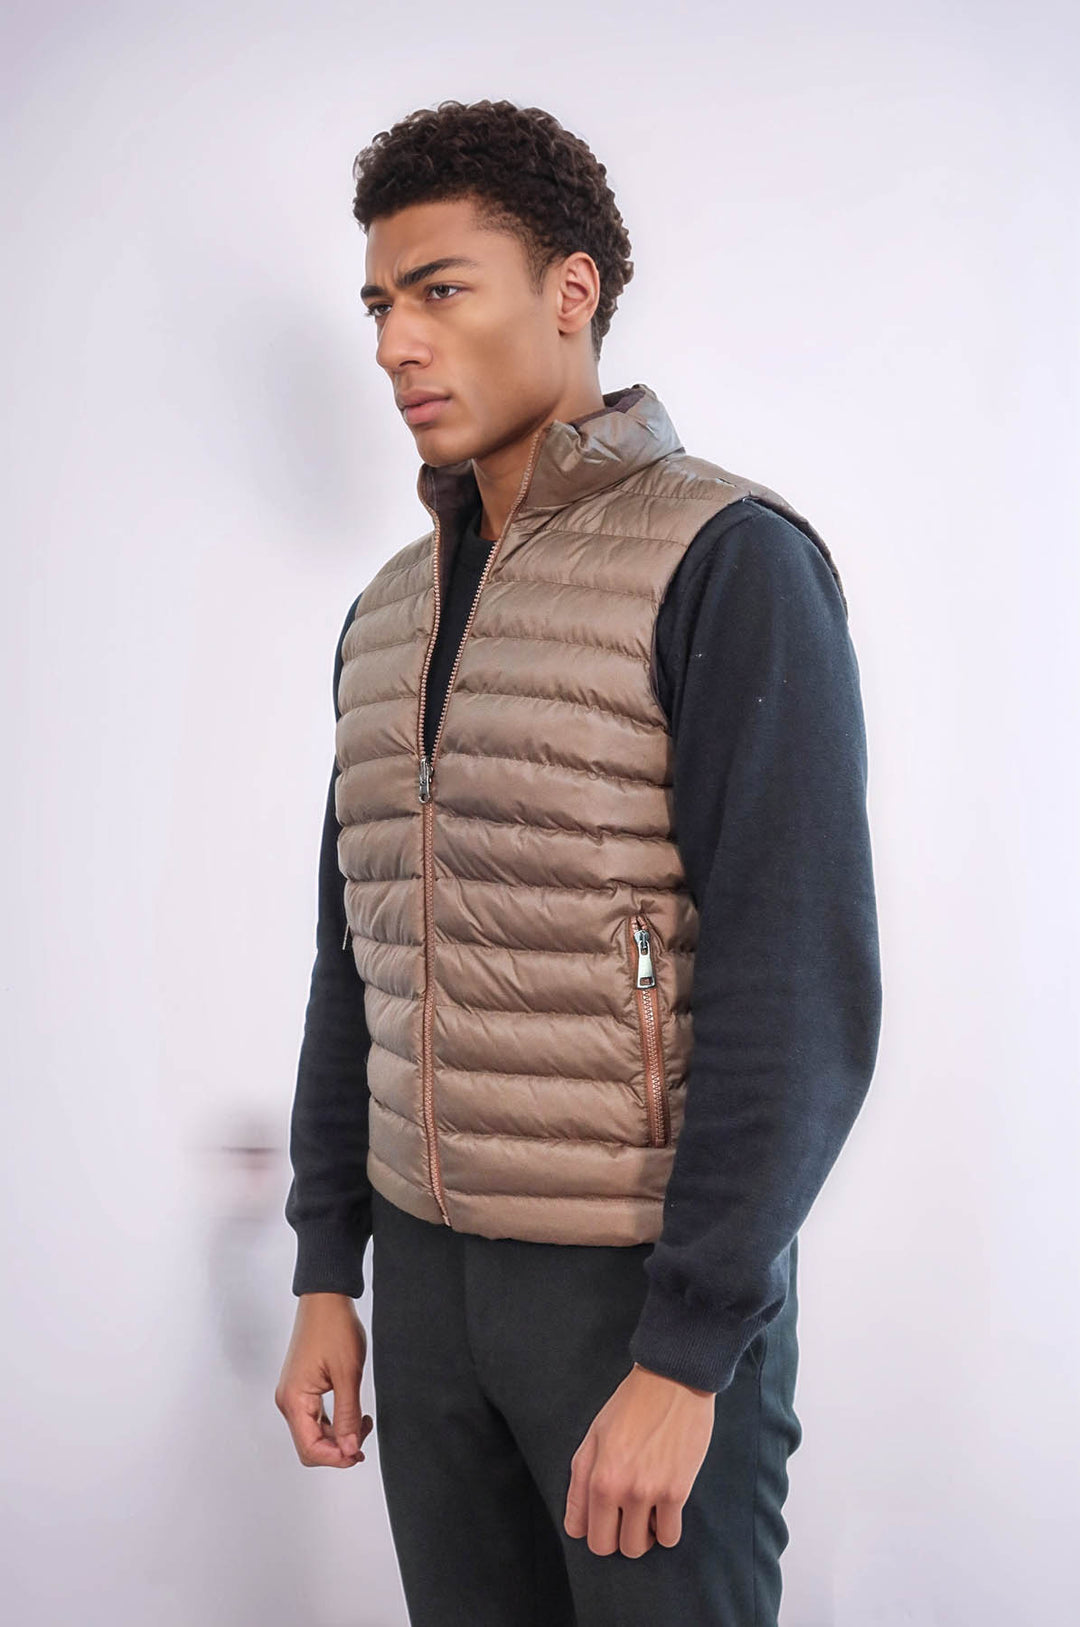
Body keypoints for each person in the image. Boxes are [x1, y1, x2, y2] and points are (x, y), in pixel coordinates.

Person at [275, 97, 882, 1626]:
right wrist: (326, 1267)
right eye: (378, 304)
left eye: (440, 289)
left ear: (571, 290)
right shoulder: (388, 611)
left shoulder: (727, 561)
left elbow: (797, 991)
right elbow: (358, 959)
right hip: (424, 1282)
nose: (395, 344)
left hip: (632, 1294)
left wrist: (689, 1352)